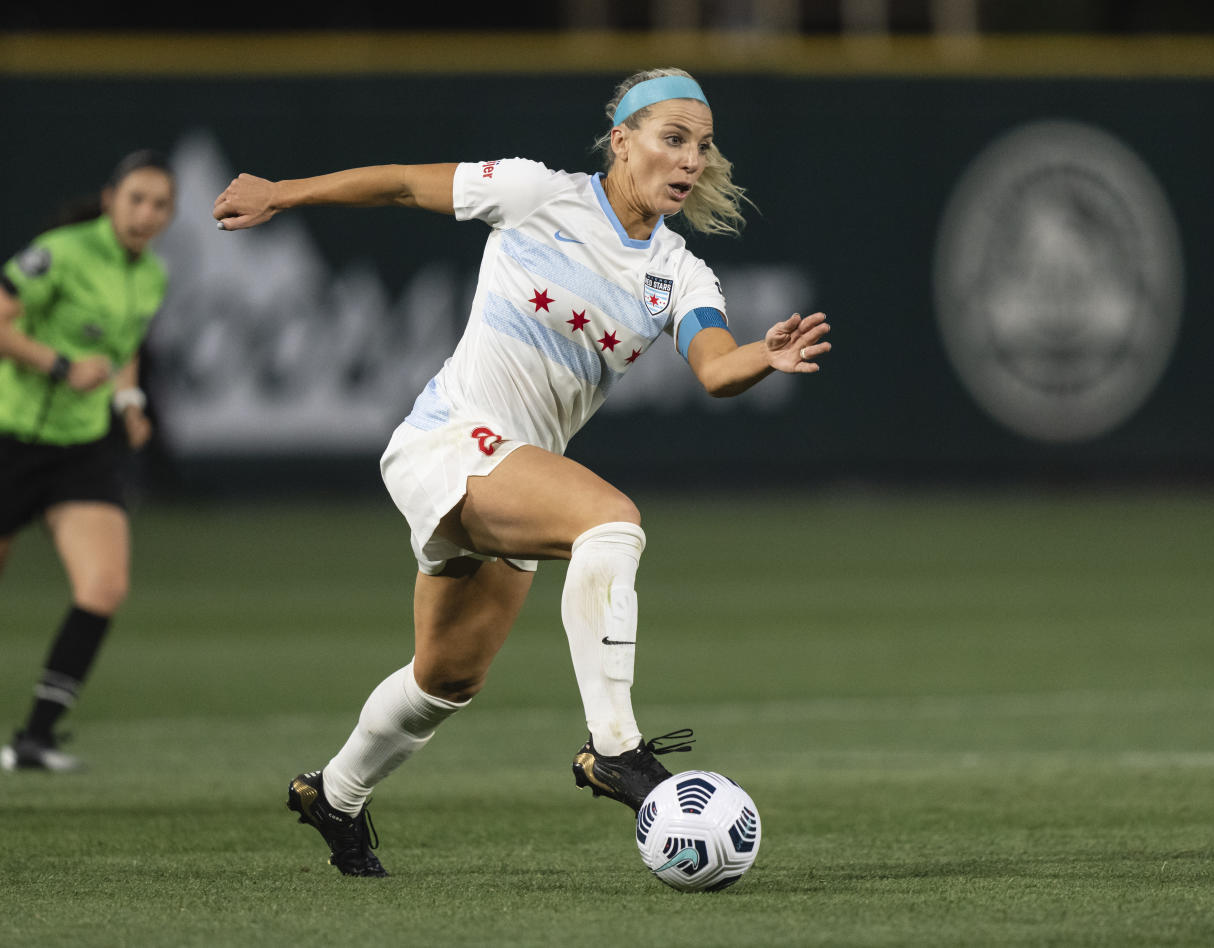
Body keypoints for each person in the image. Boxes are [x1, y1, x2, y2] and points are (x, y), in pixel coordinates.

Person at [213, 67, 831, 877]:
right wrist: (283, 192)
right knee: (611, 522)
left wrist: (763, 354)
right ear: (623, 140)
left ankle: (334, 794)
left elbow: (715, 369)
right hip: (448, 440)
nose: (689, 160)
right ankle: (616, 749)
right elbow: (402, 185)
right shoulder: (538, 194)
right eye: (673, 138)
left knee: (445, 680)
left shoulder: (680, 272)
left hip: (513, 474)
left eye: (703, 146)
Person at [0, 150, 174, 772]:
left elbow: (121, 351)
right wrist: (61, 366)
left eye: (159, 204)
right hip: (10, 437)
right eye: (136, 199)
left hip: (80, 448)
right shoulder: (63, 252)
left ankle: (35, 738)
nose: (146, 213)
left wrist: (128, 401)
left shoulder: (151, 275)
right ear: (110, 200)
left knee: (103, 586)